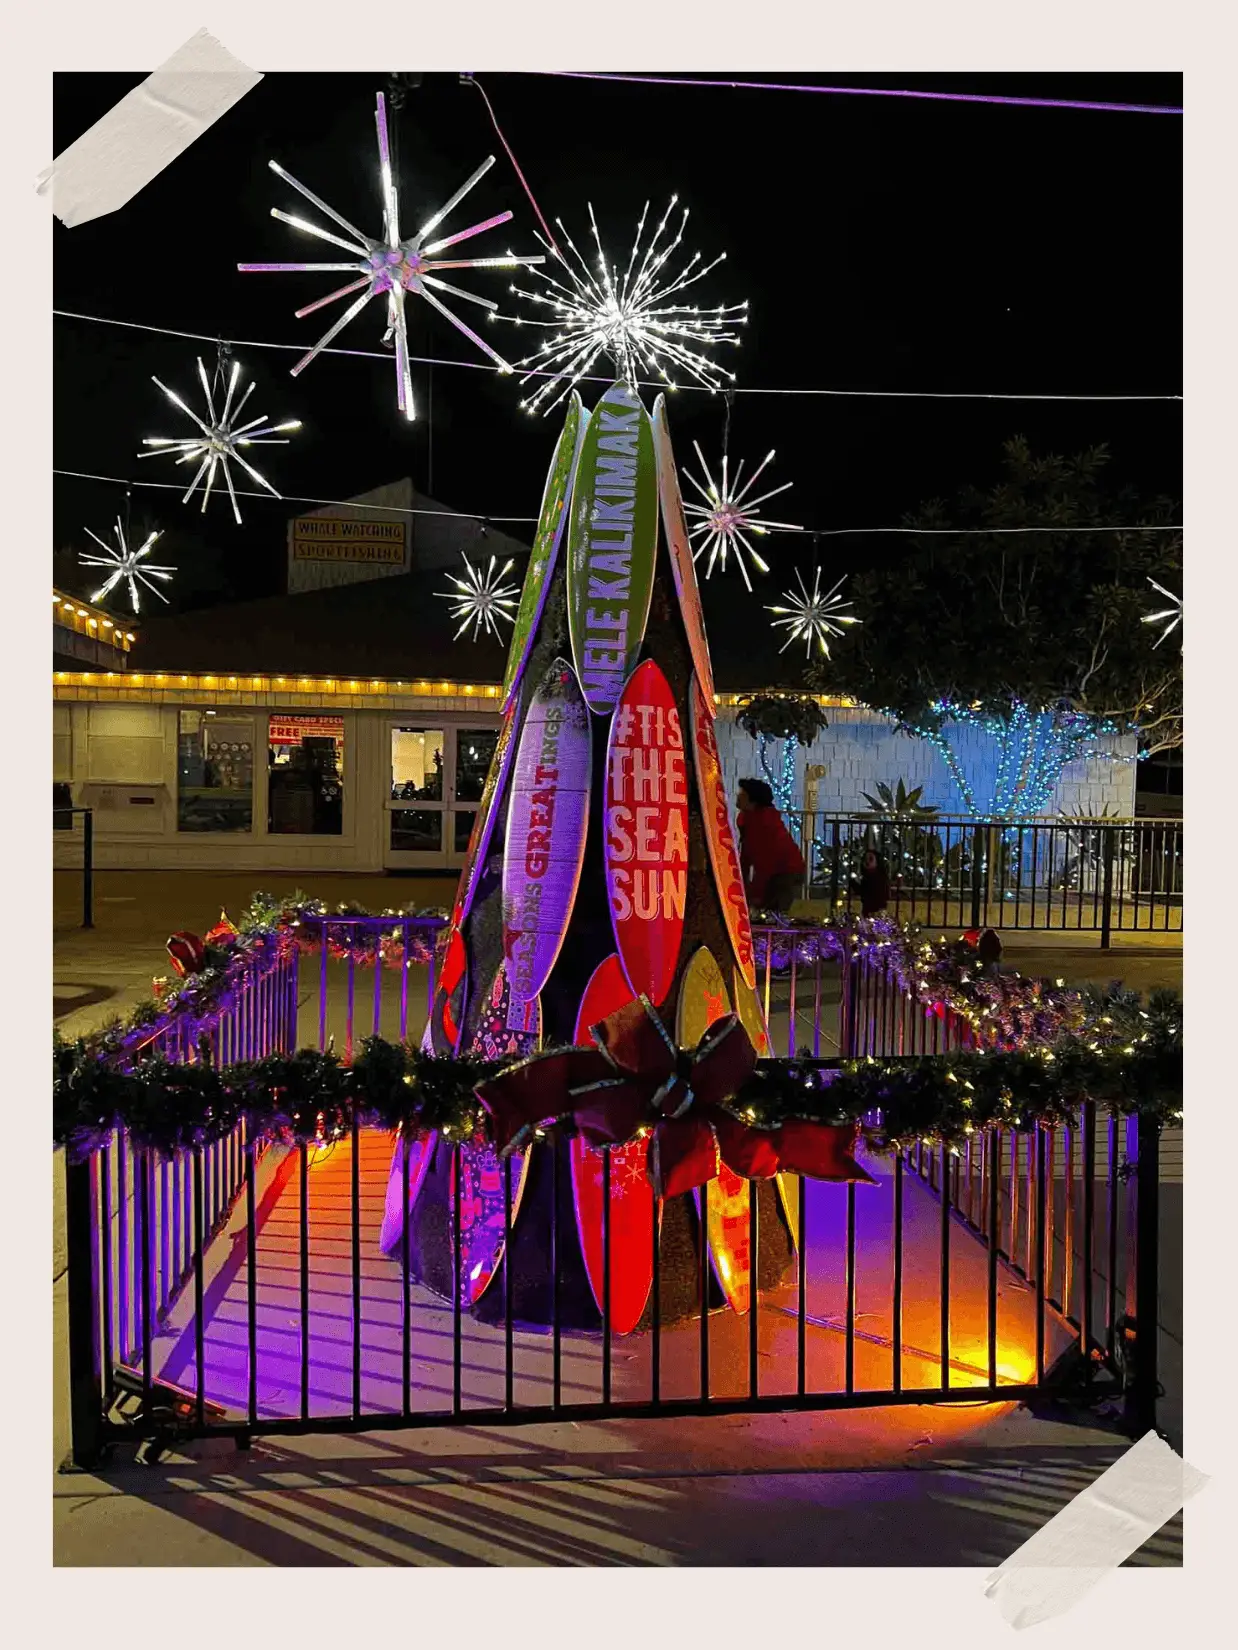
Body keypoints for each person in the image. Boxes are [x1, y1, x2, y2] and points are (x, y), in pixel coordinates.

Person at [736, 778, 806, 913]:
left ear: (753, 800)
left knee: (772, 915)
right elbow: (747, 854)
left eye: (743, 794)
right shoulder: (748, 818)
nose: (738, 796)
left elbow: (765, 860)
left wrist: (754, 893)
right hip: (777, 872)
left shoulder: (762, 823)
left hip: (785, 873)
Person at [857, 849, 890, 916]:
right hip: (867, 910)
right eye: (865, 859)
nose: (867, 861)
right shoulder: (866, 877)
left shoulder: (880, 878)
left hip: (877, 911)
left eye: (871, 859)